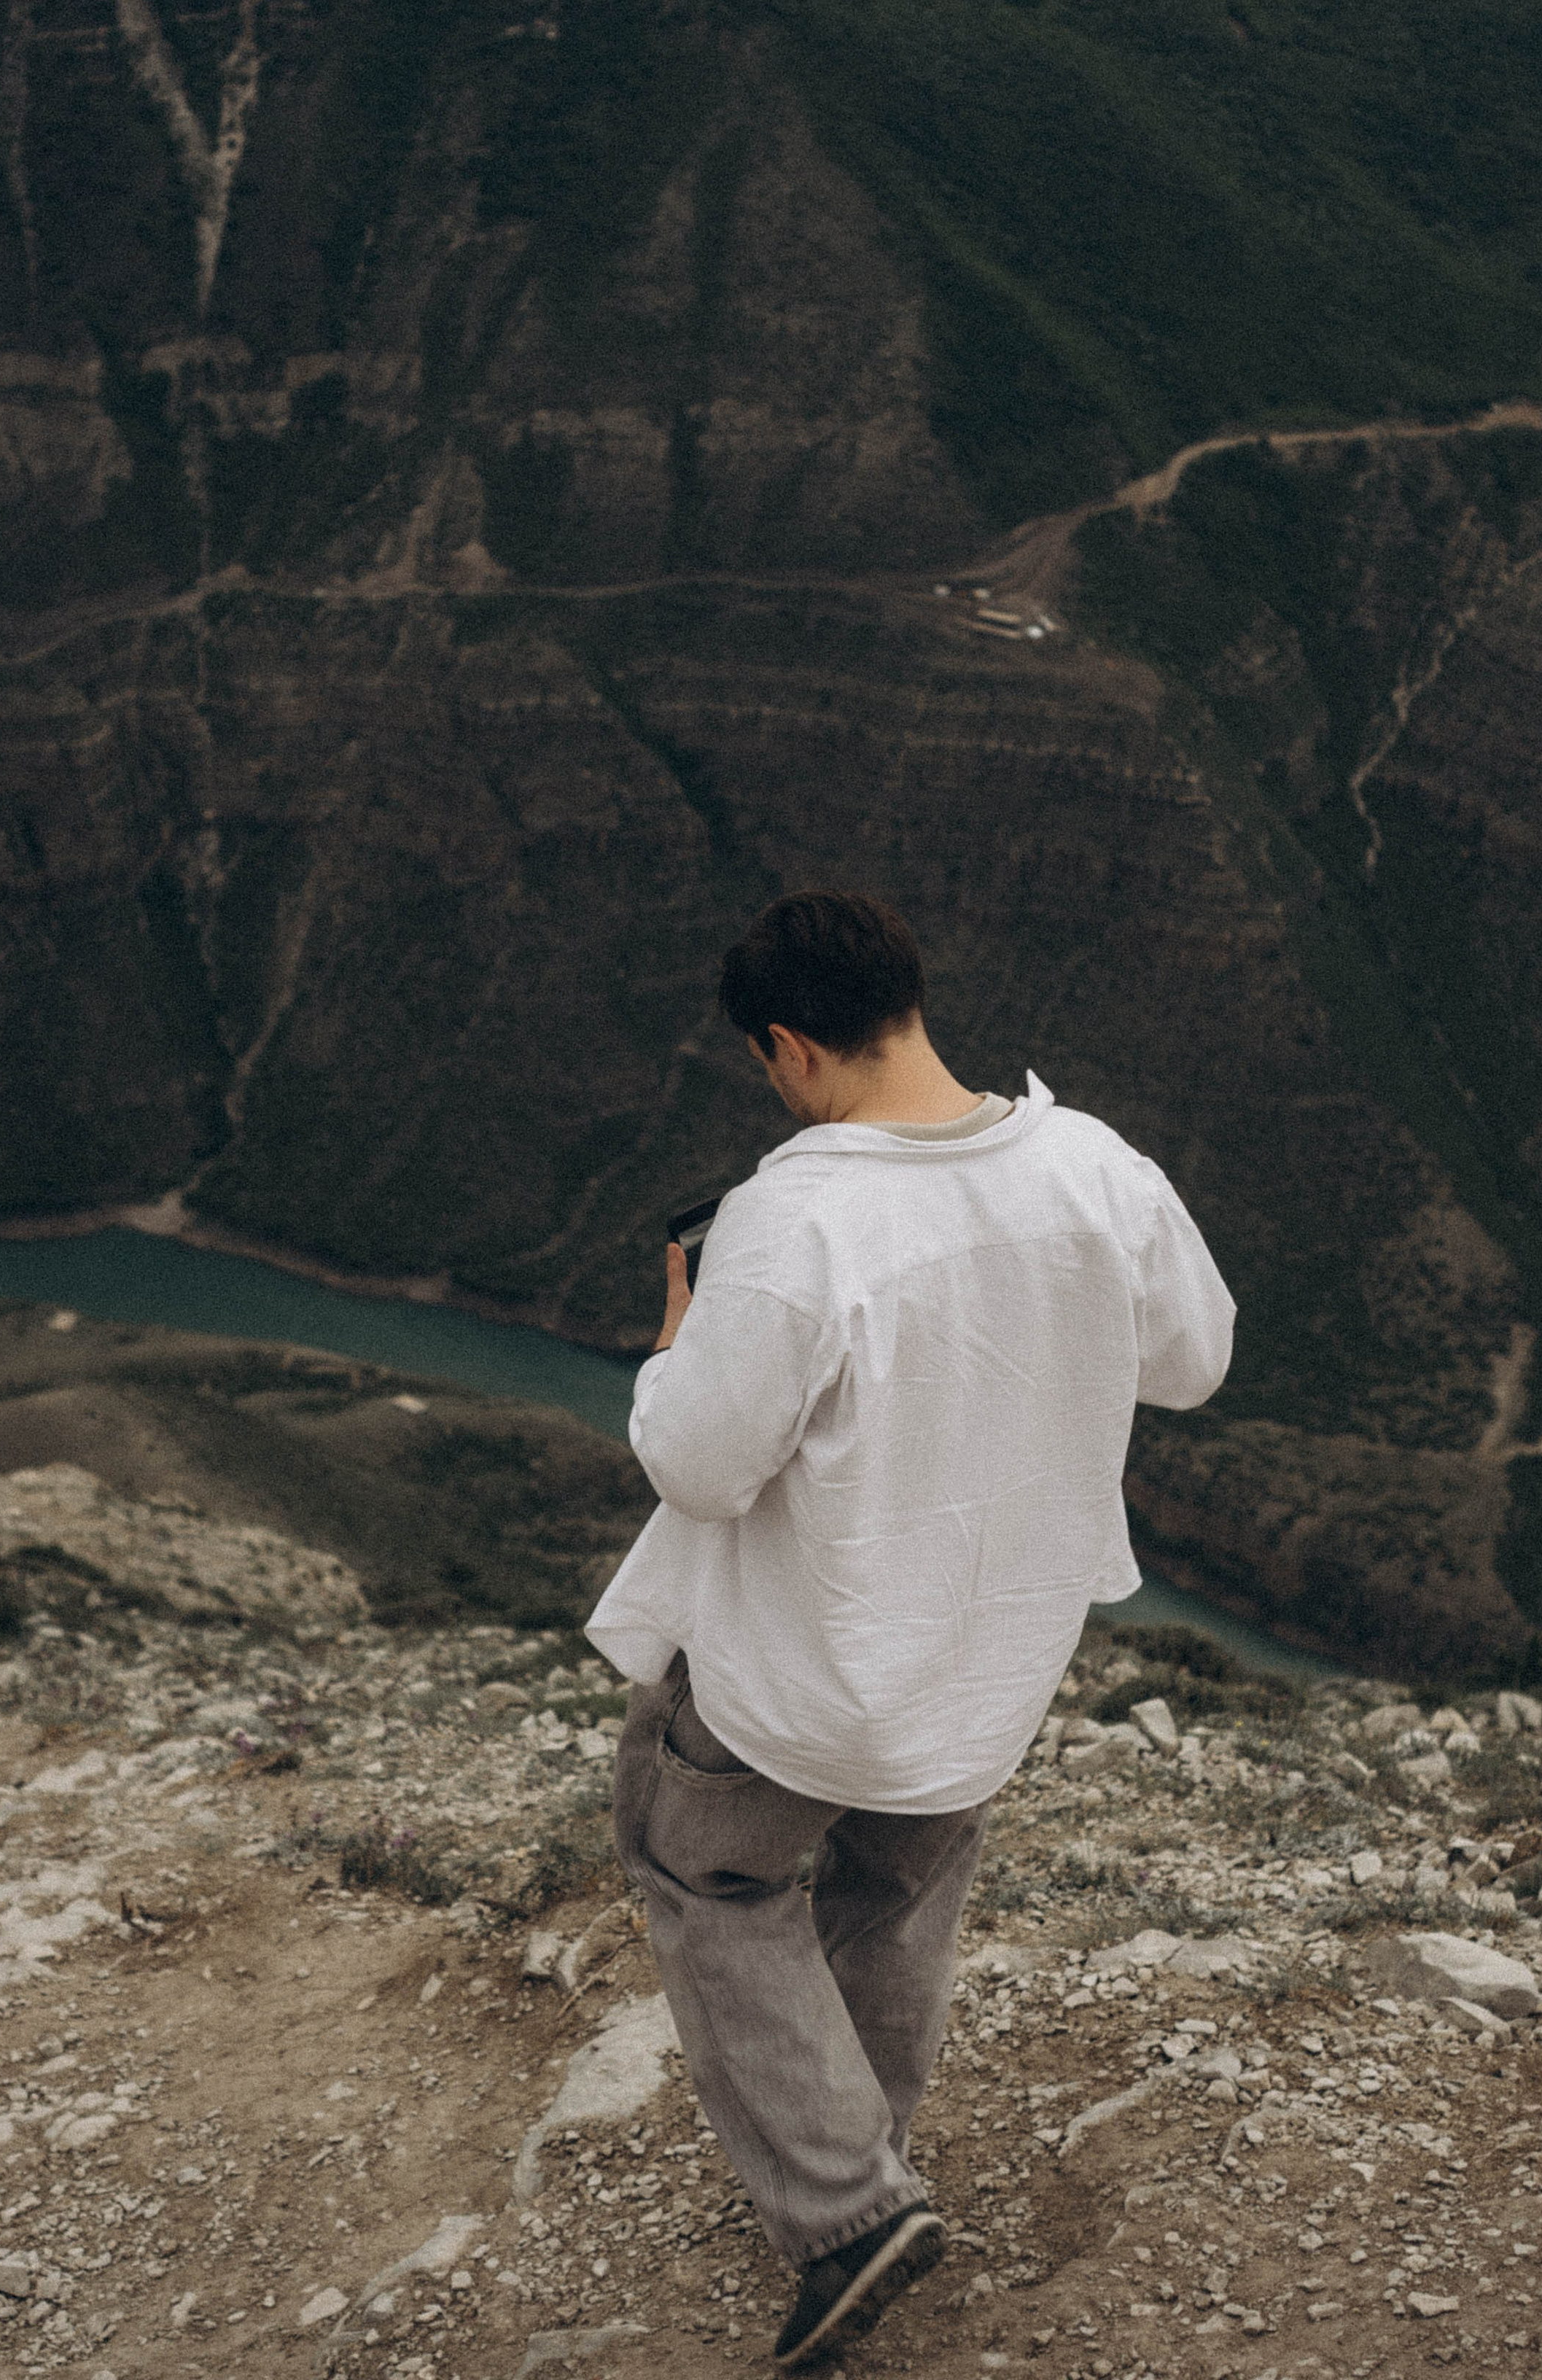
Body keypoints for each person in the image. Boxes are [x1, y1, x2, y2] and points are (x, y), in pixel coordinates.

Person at [586, 890, 1234, 2368]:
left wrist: (676, 1345)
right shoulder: (1091, 1167)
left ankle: (844, 2207)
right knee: (887, 1894)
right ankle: (854, 2175)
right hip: (992, 1655)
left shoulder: (795, 1212)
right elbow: (1191, 1364)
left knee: (700, 1864)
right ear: (911, 1001)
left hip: (806, 1667)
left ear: (790, 1049)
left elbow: (698, 1462)